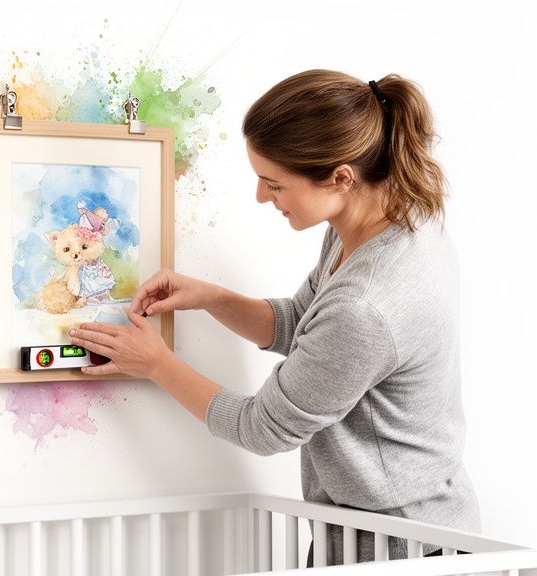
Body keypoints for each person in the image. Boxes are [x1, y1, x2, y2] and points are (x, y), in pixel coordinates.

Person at [68, 69, 480, 565]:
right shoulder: (382, 223)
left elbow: (261, 427)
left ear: (340, 177)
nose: (262, 198)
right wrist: (211, 297)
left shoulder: (368, 304)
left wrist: (156, 363)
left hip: (403, 547)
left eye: (273, 183)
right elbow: (303, 323)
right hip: (373, 531)